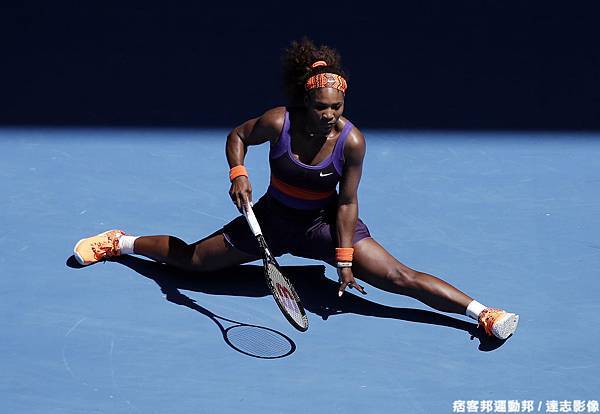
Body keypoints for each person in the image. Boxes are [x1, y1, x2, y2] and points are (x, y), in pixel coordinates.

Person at [73, 38, 518, 340]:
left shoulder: (352, 141)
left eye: (337, 107)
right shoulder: (278, 121)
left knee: (398, 278)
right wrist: (238, 173)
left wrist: (344, 256)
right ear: (306, 101)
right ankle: (121, 241)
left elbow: (347, 201)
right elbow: (238, 136)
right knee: (192, 263)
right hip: (270, 220)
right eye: (322, 107)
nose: (330, 115)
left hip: (324, 226)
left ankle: (483, 313)